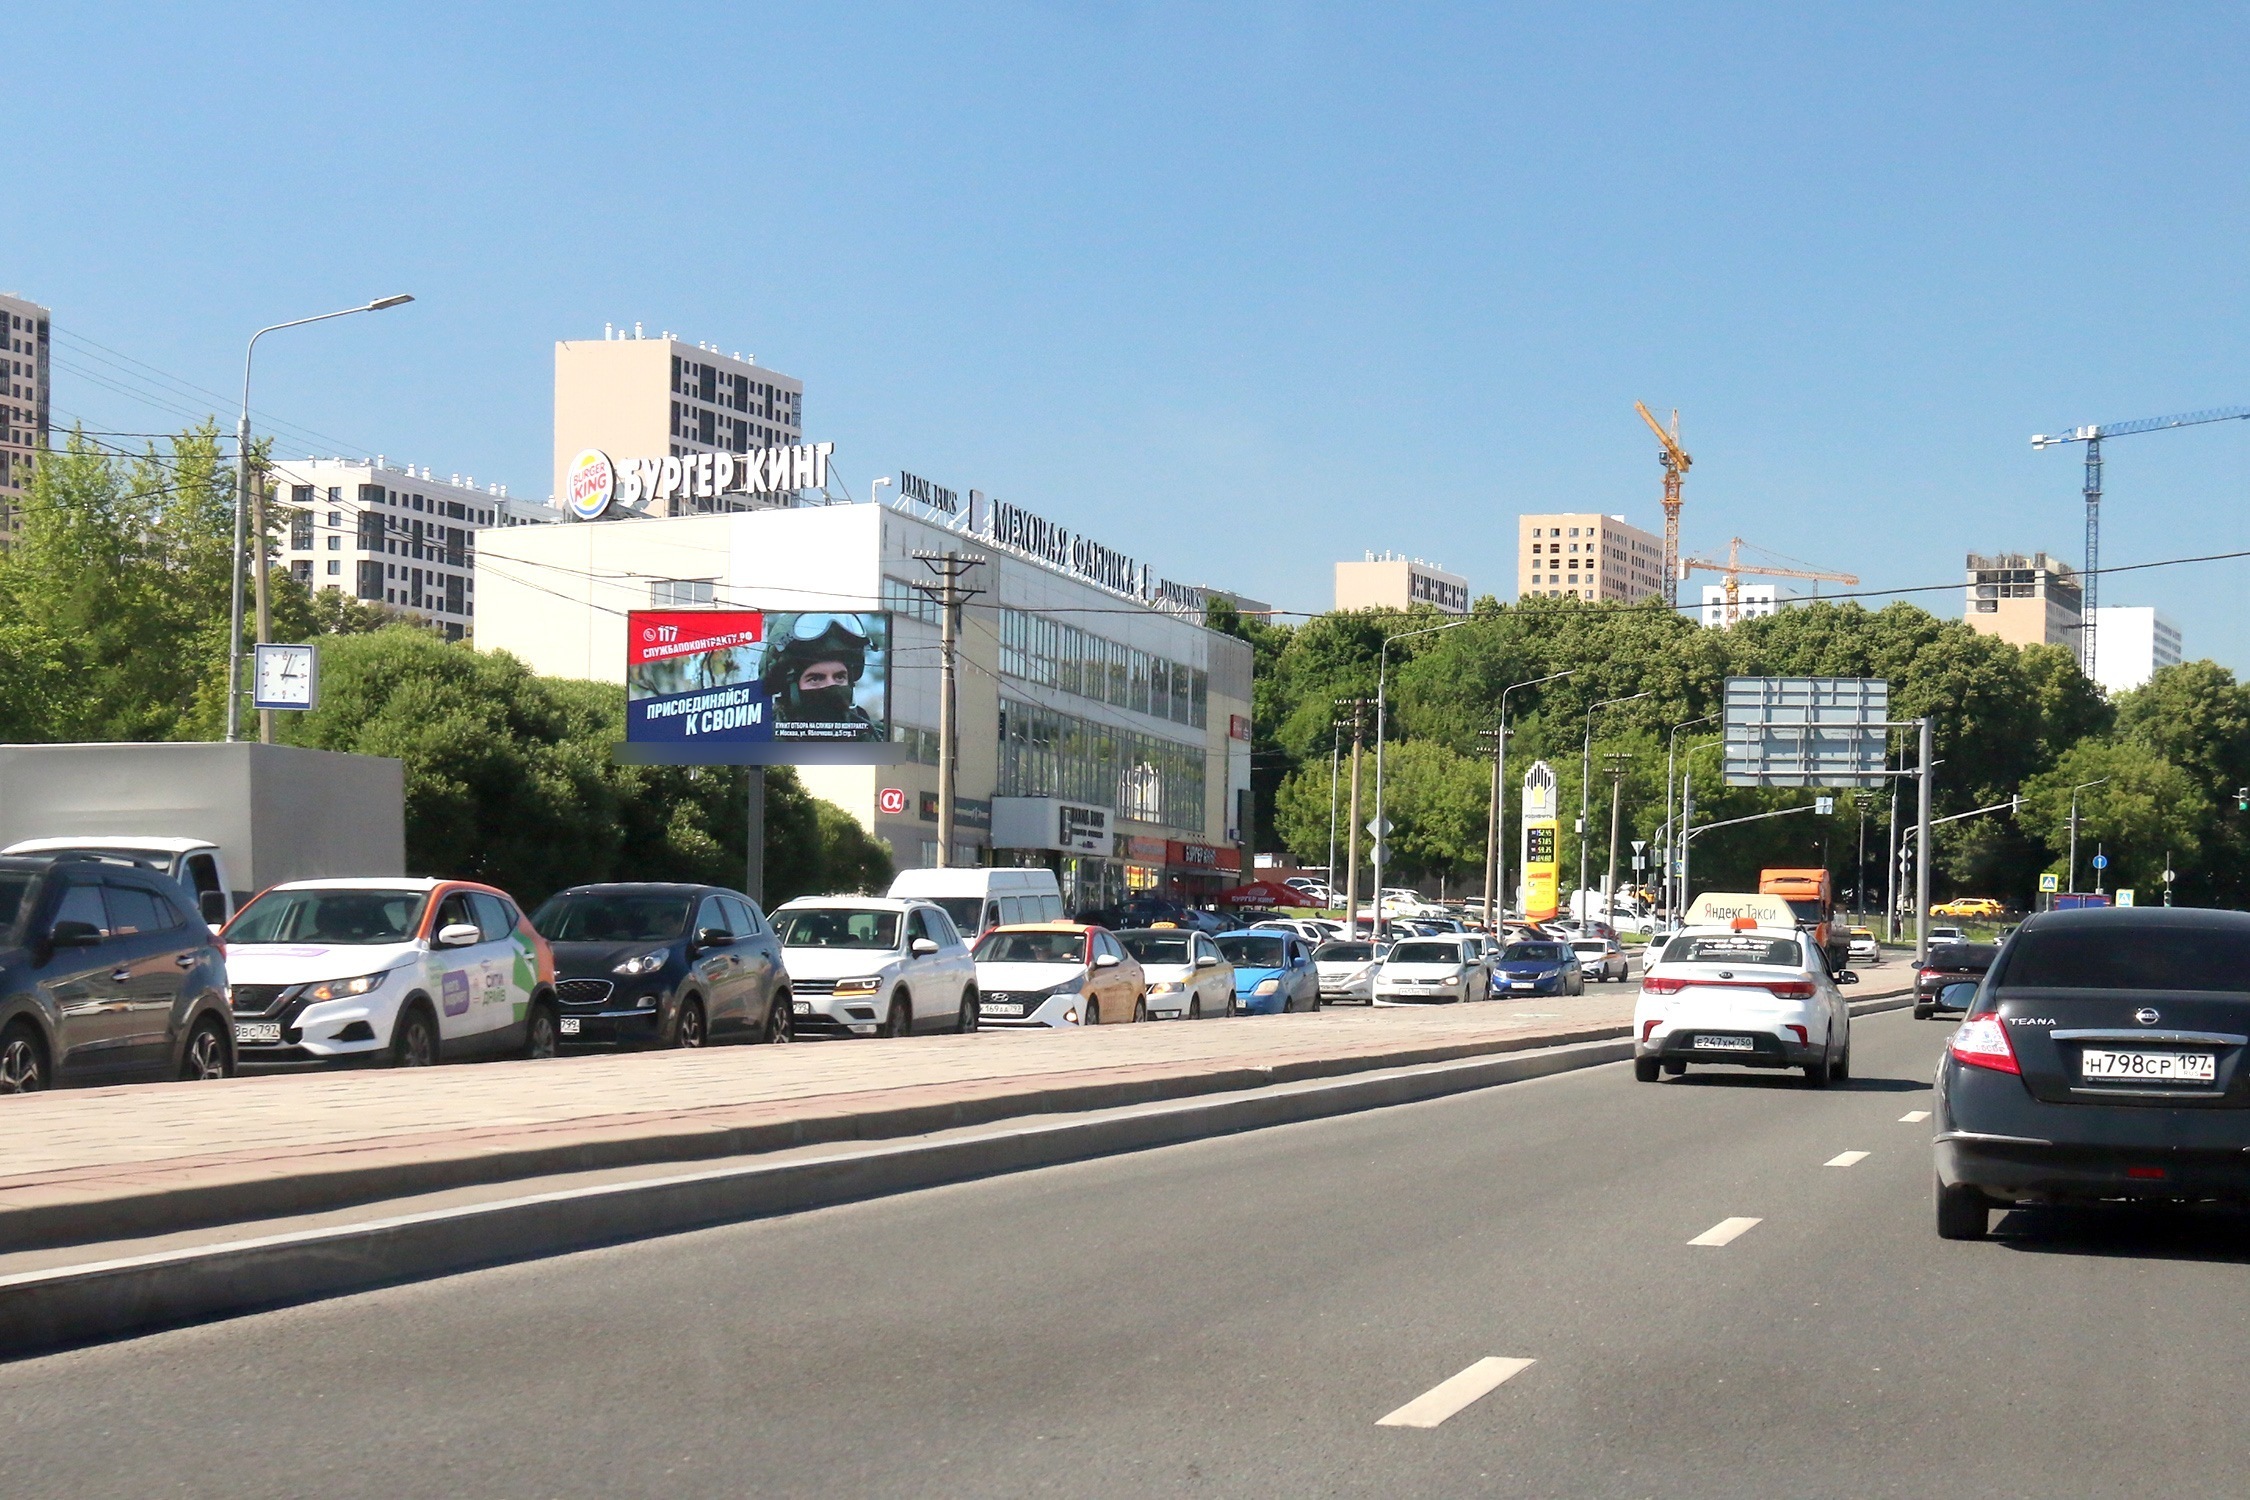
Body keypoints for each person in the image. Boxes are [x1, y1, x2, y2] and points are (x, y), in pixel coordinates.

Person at [762, 614, 882, 739]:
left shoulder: (876, 739)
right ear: (788, 687)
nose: (830, 686)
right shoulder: (758, 742)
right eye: (816, 679)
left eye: (839, 677)